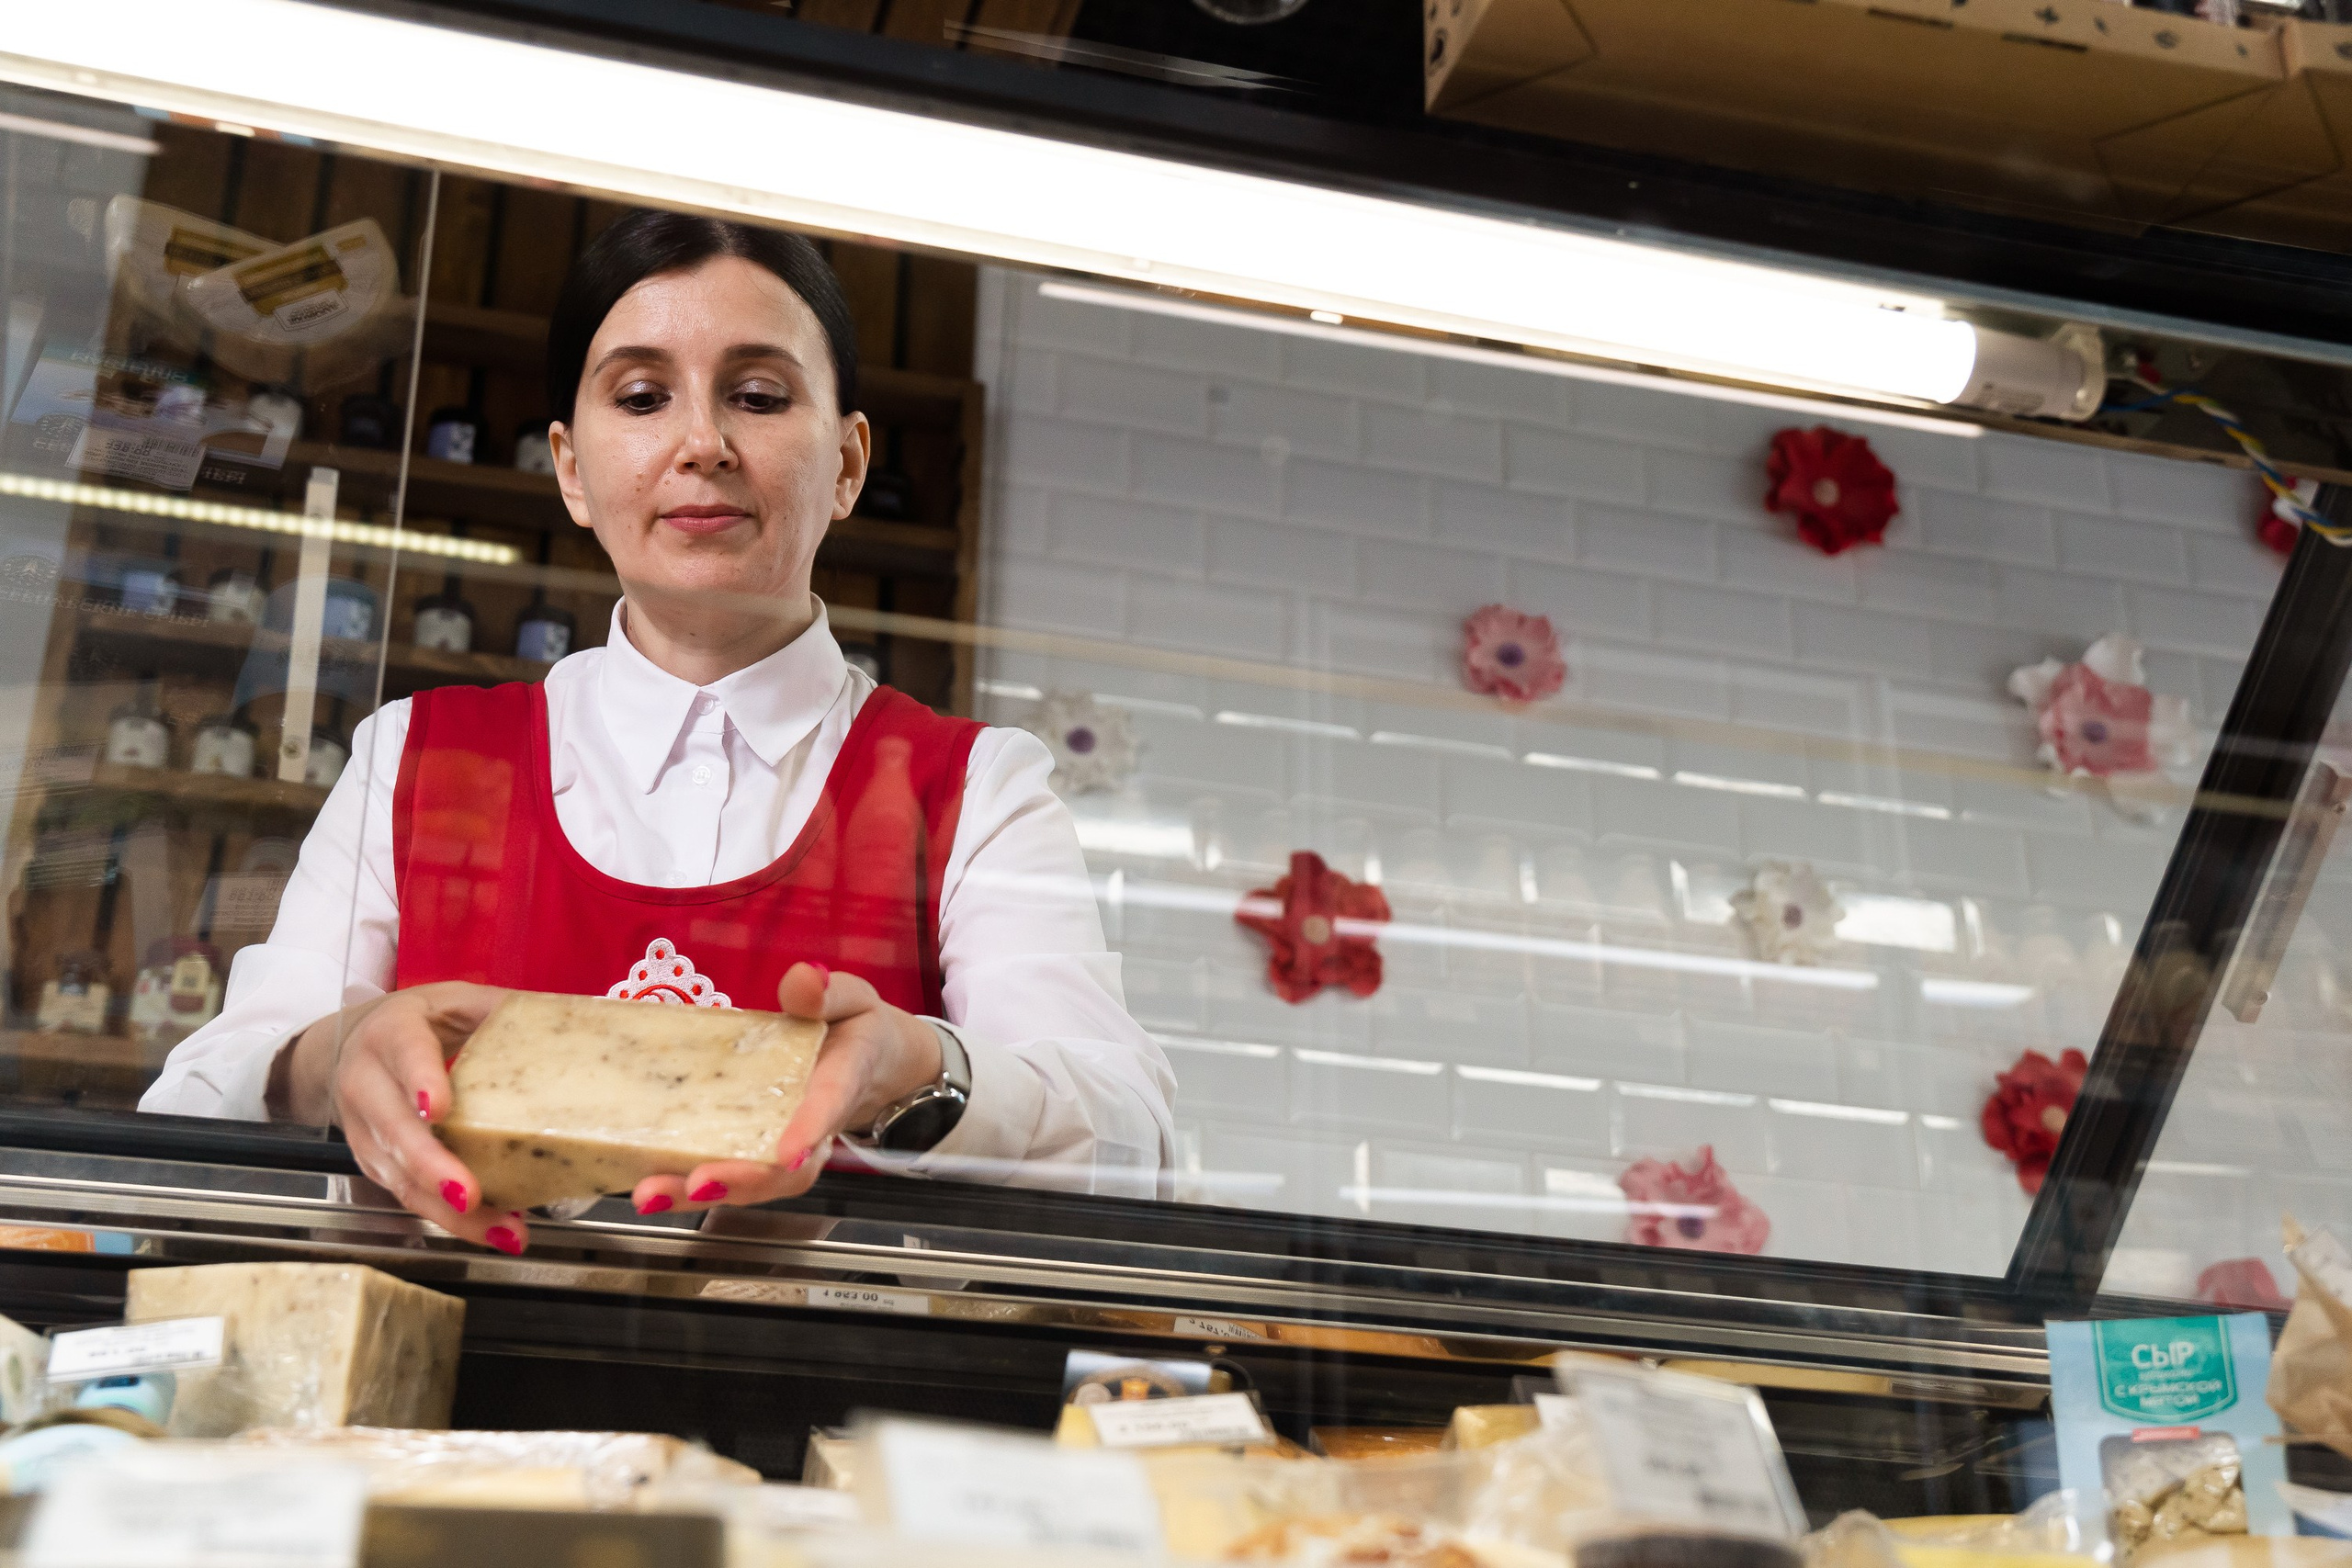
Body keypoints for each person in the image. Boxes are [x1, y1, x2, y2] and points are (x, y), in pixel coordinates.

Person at [142, 210, 1174, 1254]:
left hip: (827, 1404)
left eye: (759, 397)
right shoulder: (415, 756)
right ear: (572, 469)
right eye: (641, 398)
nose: (701, 446)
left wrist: (922, 1073)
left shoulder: (976, 789)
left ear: (851, 464)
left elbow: (1139, 1149)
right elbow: (195, 1106)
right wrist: (335, 1054)